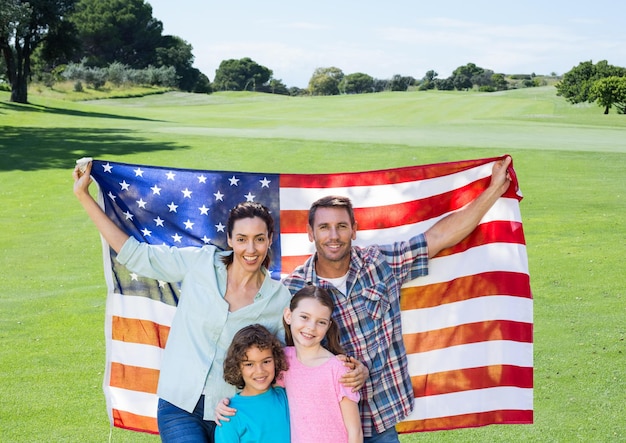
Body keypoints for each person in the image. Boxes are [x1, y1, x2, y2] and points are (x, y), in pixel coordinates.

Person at [281, 156, 513, 442]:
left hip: (382, 418)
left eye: (341, 226)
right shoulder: (293, 289)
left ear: (354, 230)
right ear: (310, 233)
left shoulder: (379, 263)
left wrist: (493, 190)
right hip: (325, 426)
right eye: (324, 227)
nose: (333, 235)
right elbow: (272, 358)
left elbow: (440, 236)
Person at [73, 161, 292, 443]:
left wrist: (341, 368)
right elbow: (136, 255)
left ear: (270, 240)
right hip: (178, 404)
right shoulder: (200, 263)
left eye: (259, 239)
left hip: (233, 413)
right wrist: (83, 196)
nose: (251, 249)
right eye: (242, 239)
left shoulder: (279, 298)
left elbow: (290, 360)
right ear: (230, 239)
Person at [280, 284, 362, 443]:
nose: (311, 327)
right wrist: (225, 405)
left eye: (321, 322)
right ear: (288, 315)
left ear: (328, 326)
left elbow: (355, 431)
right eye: (304, 317)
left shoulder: (338, 369)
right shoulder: (283, 360)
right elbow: (256, 389)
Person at [214, 324, 290, 443]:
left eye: (266, 361)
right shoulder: (229, 414)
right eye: (249, 364)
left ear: (275, 360)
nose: (259, 371)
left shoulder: (286, 397)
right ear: (238, 367)